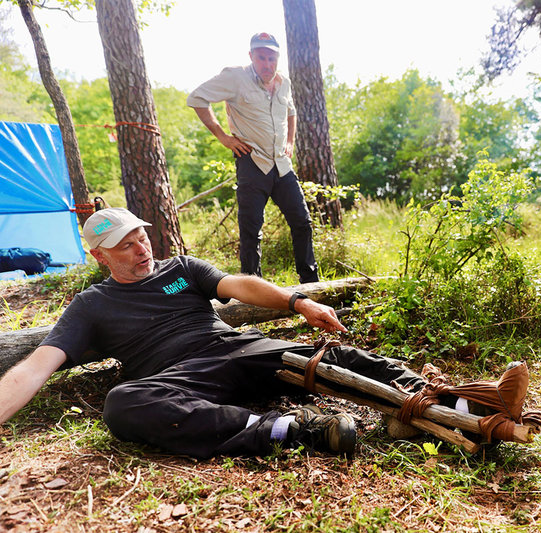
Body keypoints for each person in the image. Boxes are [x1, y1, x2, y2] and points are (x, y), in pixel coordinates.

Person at [0, 208, 434, 458]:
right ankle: (291, 430)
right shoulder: (91, 304)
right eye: (125, 244)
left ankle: (431, 395)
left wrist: (297, 302)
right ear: (100, 256)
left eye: (141, 237)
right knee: (122, 404)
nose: (141, 248)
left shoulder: (182, 268)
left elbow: (237, 285)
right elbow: (37, 366)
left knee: (329, 356)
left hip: (234, 347)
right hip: (181, 377)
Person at [187, 32, 318, 284]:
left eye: (272, 58)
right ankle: (253, 290)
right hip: (252, 162)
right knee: (251, 230)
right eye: (261, 58)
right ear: (251, 56)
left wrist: (290, 141)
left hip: (281, 165)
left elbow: (291, 111)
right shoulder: (235, 78)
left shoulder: (284, 83)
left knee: (302, 223)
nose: (267, 64)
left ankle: (312, 284)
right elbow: (196, 98)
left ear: (277, 58)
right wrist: (223, 137)